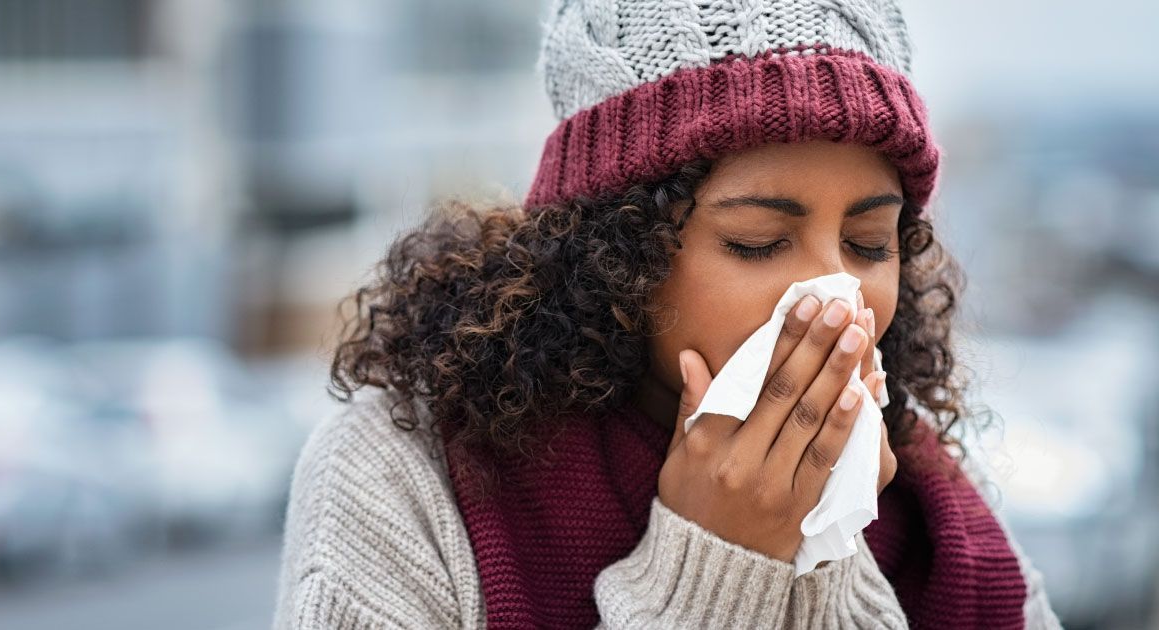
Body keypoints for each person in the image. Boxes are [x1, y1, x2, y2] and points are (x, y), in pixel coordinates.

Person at [273, 1, 1065, 628]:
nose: (838, 297)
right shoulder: (406, 472)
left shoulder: (937, 521)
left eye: (867, 242)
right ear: (616, 256)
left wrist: (824, 554)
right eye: (759, 242)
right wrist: (718, 572)